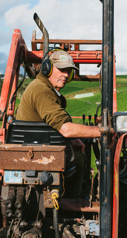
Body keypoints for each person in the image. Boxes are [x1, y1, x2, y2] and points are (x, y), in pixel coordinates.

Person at [16, 49, 100, 197]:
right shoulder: (42, 90)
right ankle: (71, 202)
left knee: (75, 150)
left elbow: (48, 126)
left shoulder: (42, 88)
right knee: (80, 159)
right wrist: (101, 130)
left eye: (68, 71)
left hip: (36, 148)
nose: (66, 75)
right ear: (47, 68)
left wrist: (72, 142)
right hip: (37, 154)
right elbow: (65, 129)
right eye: (61, 70)